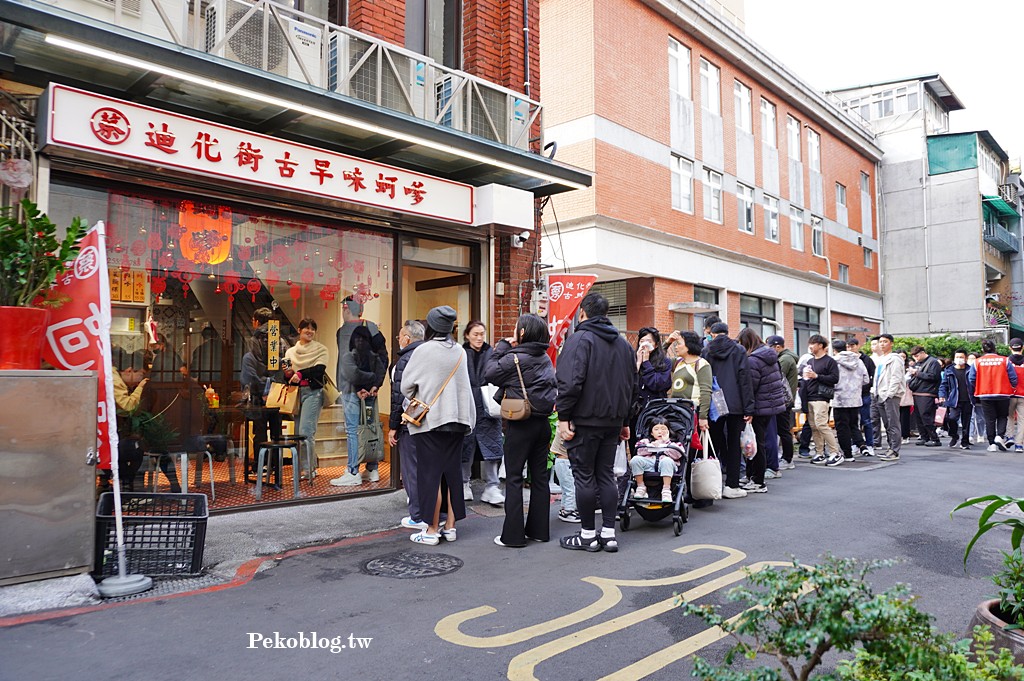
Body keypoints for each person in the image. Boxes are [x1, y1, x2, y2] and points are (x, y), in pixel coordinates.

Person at [555, 292, 637, 553]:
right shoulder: (624, 345)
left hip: (585, 419)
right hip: (613, 420)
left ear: (583, 313)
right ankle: (609, 534)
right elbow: (632, 385)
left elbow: (569, 382)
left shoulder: (580, 339)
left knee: (584, 476)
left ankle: (588, 534)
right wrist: (625, 420)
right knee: (606, 475)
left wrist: (564, 417)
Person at [401, 306, 476, 545]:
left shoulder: (424, 350)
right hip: (458, 420)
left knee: (430, 475)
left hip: (431, 421)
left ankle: (431, 530)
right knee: (452, 473)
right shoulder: (460, 352)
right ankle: (450, 527)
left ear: (431, 326)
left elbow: (406, 386)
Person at [484, 314, 557, 547]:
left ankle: (513, 536)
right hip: (542, 424)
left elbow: (489, 373)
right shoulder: (544, 357)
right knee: (540, 479)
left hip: (521, 425)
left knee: (514, 478)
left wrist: (502, 346)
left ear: (522, 333)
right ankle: (539, 531)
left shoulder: (515, 357)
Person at [702, 322, 755, 498]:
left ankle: (710, 483)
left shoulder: (707, 351)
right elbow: (744, 379)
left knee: (712, 444)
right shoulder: (738, 350)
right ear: (727, 332)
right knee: (734, 444)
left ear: (713, 334)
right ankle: (732, 485)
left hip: (713, 404)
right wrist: (749, 407)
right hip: (735, 404)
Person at [332, 325, 387, 486]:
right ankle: (372, 469)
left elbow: (350, 371)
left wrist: (357, 388)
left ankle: (353, 471)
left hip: (354, 391)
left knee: (353, 431)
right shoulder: (374, 333)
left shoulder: (349, 334)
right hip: (371, 392)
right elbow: (383, 362)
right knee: (371, 428)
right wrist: (375, 385)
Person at [737, 328, 787, 492]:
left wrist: (748, 411)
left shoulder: (753, 360)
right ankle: (752, 477)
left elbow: (750, 387)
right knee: (756, 442)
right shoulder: (768, 355)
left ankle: (758, 481)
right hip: (770, 406)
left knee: (756, 444)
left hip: (759, 407)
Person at [461, 321, 505, 505]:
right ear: (467, 335)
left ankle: (492, 487)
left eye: (482, 334)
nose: (479, 338)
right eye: (475, 334)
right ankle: (464, 484)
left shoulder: (492, 353)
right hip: (467, 404)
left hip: (488, 405)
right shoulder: (460, 353)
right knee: (465, 446)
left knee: (492, 447)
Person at [390, 320, 427, 529]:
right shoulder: (433, 356)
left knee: (411, 469)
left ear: (406, 338)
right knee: (429, 469)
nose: (399, 340)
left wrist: (393, 426)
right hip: (434, 422)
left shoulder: (404, 360)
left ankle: (418, 515)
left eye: (399, 336)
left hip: (412, 421)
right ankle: (434, 514)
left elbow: (399, 397)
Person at [670, 331, 713, 507]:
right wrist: (669, 341)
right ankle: (689, 491)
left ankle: (701, 493)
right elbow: (661, 359)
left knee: (694, 452)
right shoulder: (678, 362)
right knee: (682, 451)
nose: (676, 346)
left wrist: (703, 416)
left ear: (689, 345)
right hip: (677, 411)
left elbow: (706, 390)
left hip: (693, 412)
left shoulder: (702, 364)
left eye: (679, 343)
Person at [283, 318, 328, 479]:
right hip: (295, 393)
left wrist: (300, 374)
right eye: (306, 328)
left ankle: (309, 470)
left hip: (313, 393)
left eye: (312, 329)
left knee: (306, 432)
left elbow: (319, 369)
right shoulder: (290, 352)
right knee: (297, 433)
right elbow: (286, 371)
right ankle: (302, 468)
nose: (309, 331)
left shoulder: (321, 349)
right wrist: (287, 374)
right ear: (299, 330)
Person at [241, 307, 287, 450]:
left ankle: (259, 465)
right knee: (276, 430)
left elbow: (255, 365)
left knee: (260, 430)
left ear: (257, 322)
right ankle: (276, 464)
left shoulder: (254, 340)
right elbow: (283, 364)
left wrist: (264, 386)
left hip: (259, 393)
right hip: (278, 391)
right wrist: (275, 385)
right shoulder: (281, 340)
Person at [335, 296, 388, 399]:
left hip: (349, 386)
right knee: (367, 414)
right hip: (368, 386)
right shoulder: (371, 328)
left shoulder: (341, 332)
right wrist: (376, 383)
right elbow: (382, 358)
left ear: (347, 310)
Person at [803, 335, 841, 467]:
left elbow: (835, 378)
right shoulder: (810, 361)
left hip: (822, 396)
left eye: (813, 343)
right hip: (810, 396)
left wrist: (817, 376)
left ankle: (835, 452)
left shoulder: (830, 361)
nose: (811, 346)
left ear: (821, 345)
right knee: (814, 426)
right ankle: (820, 452)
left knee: (821, 424)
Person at [974, 338, 1018, 452]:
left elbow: (971, 379)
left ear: (982, 349)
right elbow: (1013, 378)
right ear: (995, 348)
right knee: (1002, 416)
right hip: (1003, 393)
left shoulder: (977, 362)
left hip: (985, 393)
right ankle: (1000, 436)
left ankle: (992, 443)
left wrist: (977, 387)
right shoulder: (1005, 360)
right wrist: (1012, 387)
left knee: (989, 419)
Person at [633, 326, 672, 445]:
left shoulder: (664, 362)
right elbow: (627, 383)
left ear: (655, 345)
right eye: (641, 341)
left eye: (649, 342)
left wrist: (646, 363)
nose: (644, 344)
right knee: (636, 443)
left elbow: (657, 384)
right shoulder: (632, 359)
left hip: (656, 411)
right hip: (635, 411)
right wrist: (638, 364)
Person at [832, 339, 869, 462]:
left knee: (842, 427)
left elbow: (831, 379)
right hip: (855, 398)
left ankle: (848, 454)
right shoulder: (858, 361)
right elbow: (866, 380)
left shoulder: (834, 361)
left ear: (834, 350)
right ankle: (862, 446)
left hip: (839, 399)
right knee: (854, 425)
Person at [630, 419, 684, 502]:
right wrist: (651, 447)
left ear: (668, 431)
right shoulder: (645, 441)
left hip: (667, 466)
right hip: (649, 464)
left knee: (667, 461)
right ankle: (641, 486)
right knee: (635, 459)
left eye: (663, 429)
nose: (660, 432)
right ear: (651, 432)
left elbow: (678, 454)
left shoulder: (674, 443)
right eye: (656, 429)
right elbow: (638, 451)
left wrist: (665, 443)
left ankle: (666, 490)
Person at [870, 334, 905, 461]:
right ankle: (890, 448)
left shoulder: (895, 358)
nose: (882, 344)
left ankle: (895, 450)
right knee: (886, 423)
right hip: (879, 394)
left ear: (891, 344)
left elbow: (896, 377)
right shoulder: (881, 359)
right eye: (880, 342)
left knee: (893, 423)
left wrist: (890, 394)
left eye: (885, 341)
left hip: (890, 396)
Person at [766, 335, 798, 470]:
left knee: (783, 430)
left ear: (777, 347)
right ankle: (786, 457)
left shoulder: (784, 359)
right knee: (783, 429)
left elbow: (775, 375)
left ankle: (788, 458)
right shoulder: (786, 357)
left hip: (783, 400)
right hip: (785, 399)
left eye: (770, 347)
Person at [939, 348, 976, 450]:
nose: (959, 359)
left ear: (966, 358)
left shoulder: (970, 370)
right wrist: (942, 395)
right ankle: (954, 435)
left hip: (968, 400)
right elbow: (943, 385)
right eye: (957, 357)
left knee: (966, 422)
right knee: (952, 419)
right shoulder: (949, 370)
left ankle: (965, 441)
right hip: (954, 400)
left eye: (961, 357)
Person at [907, 345, 942, 447]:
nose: (916, 358)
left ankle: (934, 438)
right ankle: (924, 437)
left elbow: (933, 377)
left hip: (927, 393)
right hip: (917, 392)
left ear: (923, 352)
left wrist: (917, 373)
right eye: (914, 356)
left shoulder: (933, 362)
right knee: (918, 417)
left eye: (917, 356)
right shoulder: (918, 363)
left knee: (926, 416)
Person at [847, 337, 876, 456]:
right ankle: (856, 444)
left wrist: (867, 386)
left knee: (866, 421)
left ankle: (869, 445)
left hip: (864, 394)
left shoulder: (866, 359)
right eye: (848, 346)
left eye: (852, 346)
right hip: (851, 395)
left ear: (858, 346)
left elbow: (872, 376)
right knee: (853, 422)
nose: (850, 348)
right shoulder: (846, 359)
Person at [1008, 338, 1024, 453]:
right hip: (1023, 395)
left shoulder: (1007, 361)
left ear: (1010, 348)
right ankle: (1019, 444)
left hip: (1009, 394)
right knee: (1022, 420)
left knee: (1009, 417)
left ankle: (1009, 437)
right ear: (1022, 348)